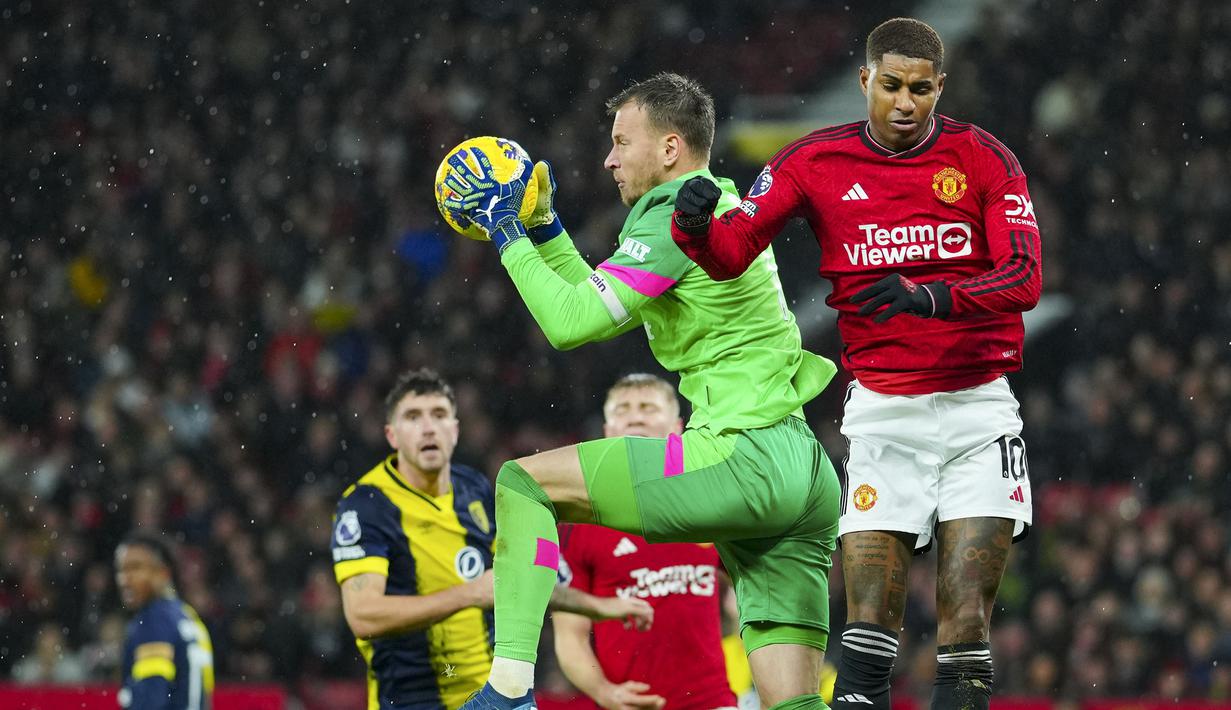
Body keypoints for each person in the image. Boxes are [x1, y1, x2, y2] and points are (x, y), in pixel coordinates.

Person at [669, 17, 1041, 710]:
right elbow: (729, 253)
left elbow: (1023, 278)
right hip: (881, 416)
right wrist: (692, 226)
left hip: (977, 412)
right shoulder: (811, 161)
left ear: (940, 88)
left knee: (964, 630)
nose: (905, 103)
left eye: (922, 89)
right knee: (868, 632)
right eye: (892, 85)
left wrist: (924, 296)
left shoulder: (985, 158)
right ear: (864, 79)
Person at [440, 71, 842, 710]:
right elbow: (594, 298)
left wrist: (506, 235)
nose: (608, 158)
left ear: (670, 148)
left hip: (741, 457)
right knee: (794, 704)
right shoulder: (718, 206)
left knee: (523, 484)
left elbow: (569, 324)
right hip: (805, 474)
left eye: (622, 142)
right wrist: (544, 230)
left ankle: (509, 691)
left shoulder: (671, 214)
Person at [331, 368, 653, 710]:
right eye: (413, 417)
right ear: (392, 435)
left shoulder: (475, 488)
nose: (428, 427)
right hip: (411, 700)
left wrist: (599, 606)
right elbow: (364, 615)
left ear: (454, 430)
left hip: (490, 693)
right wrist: (467, 594)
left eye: (439, 415)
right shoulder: (367, 505)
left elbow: (518, 575)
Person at [554, 373, 737, 710]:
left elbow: (754, 590)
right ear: (608, 431)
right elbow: (570, 635)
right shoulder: (578, 522)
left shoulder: (713, 506)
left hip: (713, 702)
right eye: (623, 409)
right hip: (630, 705)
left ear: (678, 427)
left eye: (648, 408)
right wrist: (604, 692)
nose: (635, 416)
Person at [114, 532, 215, 710]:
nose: (124, 579)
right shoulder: (188, 616)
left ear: (163, 573)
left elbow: (150, 699)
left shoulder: (154, 620)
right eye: (121, 570)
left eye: (135, 568)